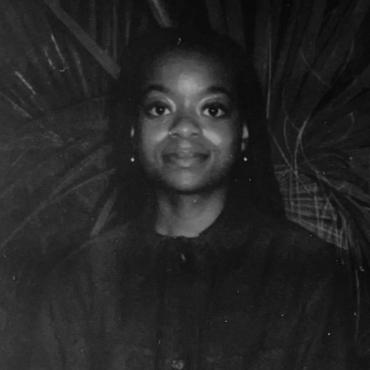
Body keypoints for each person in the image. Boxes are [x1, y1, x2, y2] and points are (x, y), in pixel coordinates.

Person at [29, 28, 363, 369]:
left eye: (212, 109)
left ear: (243, 132)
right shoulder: (80, 279)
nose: (184, 126)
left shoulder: (310, 272)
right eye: (159, 108)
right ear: (133, 131)